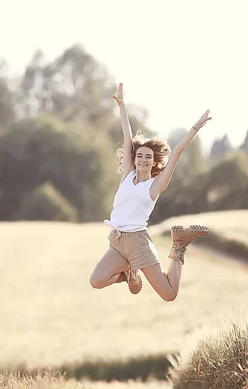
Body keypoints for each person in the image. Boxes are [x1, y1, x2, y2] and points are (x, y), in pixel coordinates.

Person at [89, 83, 211, 302]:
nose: (142, 159)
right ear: (134, 160)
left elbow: (177, 153)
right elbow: (127, 137)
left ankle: (179, 246)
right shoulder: (127, 175)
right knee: (96, 281)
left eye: (148, 157)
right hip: (117, 241)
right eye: (139, 156)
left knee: (169, 294)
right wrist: (122, 107)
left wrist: (195, 128)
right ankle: (127, 274)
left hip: (138, 242)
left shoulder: (155, 186)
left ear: (154, 162)